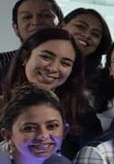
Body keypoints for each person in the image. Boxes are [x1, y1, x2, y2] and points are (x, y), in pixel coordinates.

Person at [0, 27, 100, 156]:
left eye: (65, 63)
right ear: (25, 57)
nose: (53, 68)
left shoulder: (81, 114)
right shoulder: (2, 104)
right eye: (46, 57)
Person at [1, 0, 63, 80]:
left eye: (45, 15)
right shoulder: (2, 62)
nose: (36, 22)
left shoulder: (75, 64)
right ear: (16, 28)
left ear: (61, 25)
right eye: (27, 17)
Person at [62, 7, 113, 81]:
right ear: (62, 26)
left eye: (95, 34)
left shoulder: (102, 80)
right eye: (81, 27)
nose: (87, 35)